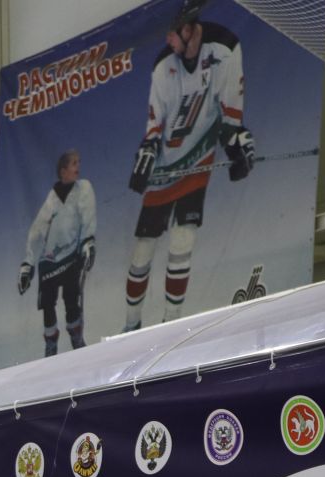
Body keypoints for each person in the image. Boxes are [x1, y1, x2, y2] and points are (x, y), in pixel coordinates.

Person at [123, 0, 250, 333]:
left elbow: (231, 118)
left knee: (182, 245)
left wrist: (236, 146)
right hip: (165, 169)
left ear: (190, 28)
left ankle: (171, 328)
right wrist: (147, 153)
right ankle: (131, 327)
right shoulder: (163, 67)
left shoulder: (226, 48)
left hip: (198, 162)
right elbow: (154, 130)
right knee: (142, 253)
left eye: (172, 34)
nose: (168, 41)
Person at [20, 149, 97, 356]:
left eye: (78, 162)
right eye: (73, 164)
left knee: (72, 300)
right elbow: (36, 231)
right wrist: (27, 264)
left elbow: (87, 215)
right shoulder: (52, 199)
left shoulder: (84, 189)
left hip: (71, 256)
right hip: (49, 261)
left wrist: (88, 242)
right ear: (63, 171)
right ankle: (51, 345)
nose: (77, 167)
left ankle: (76, 339)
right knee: (47, 304)